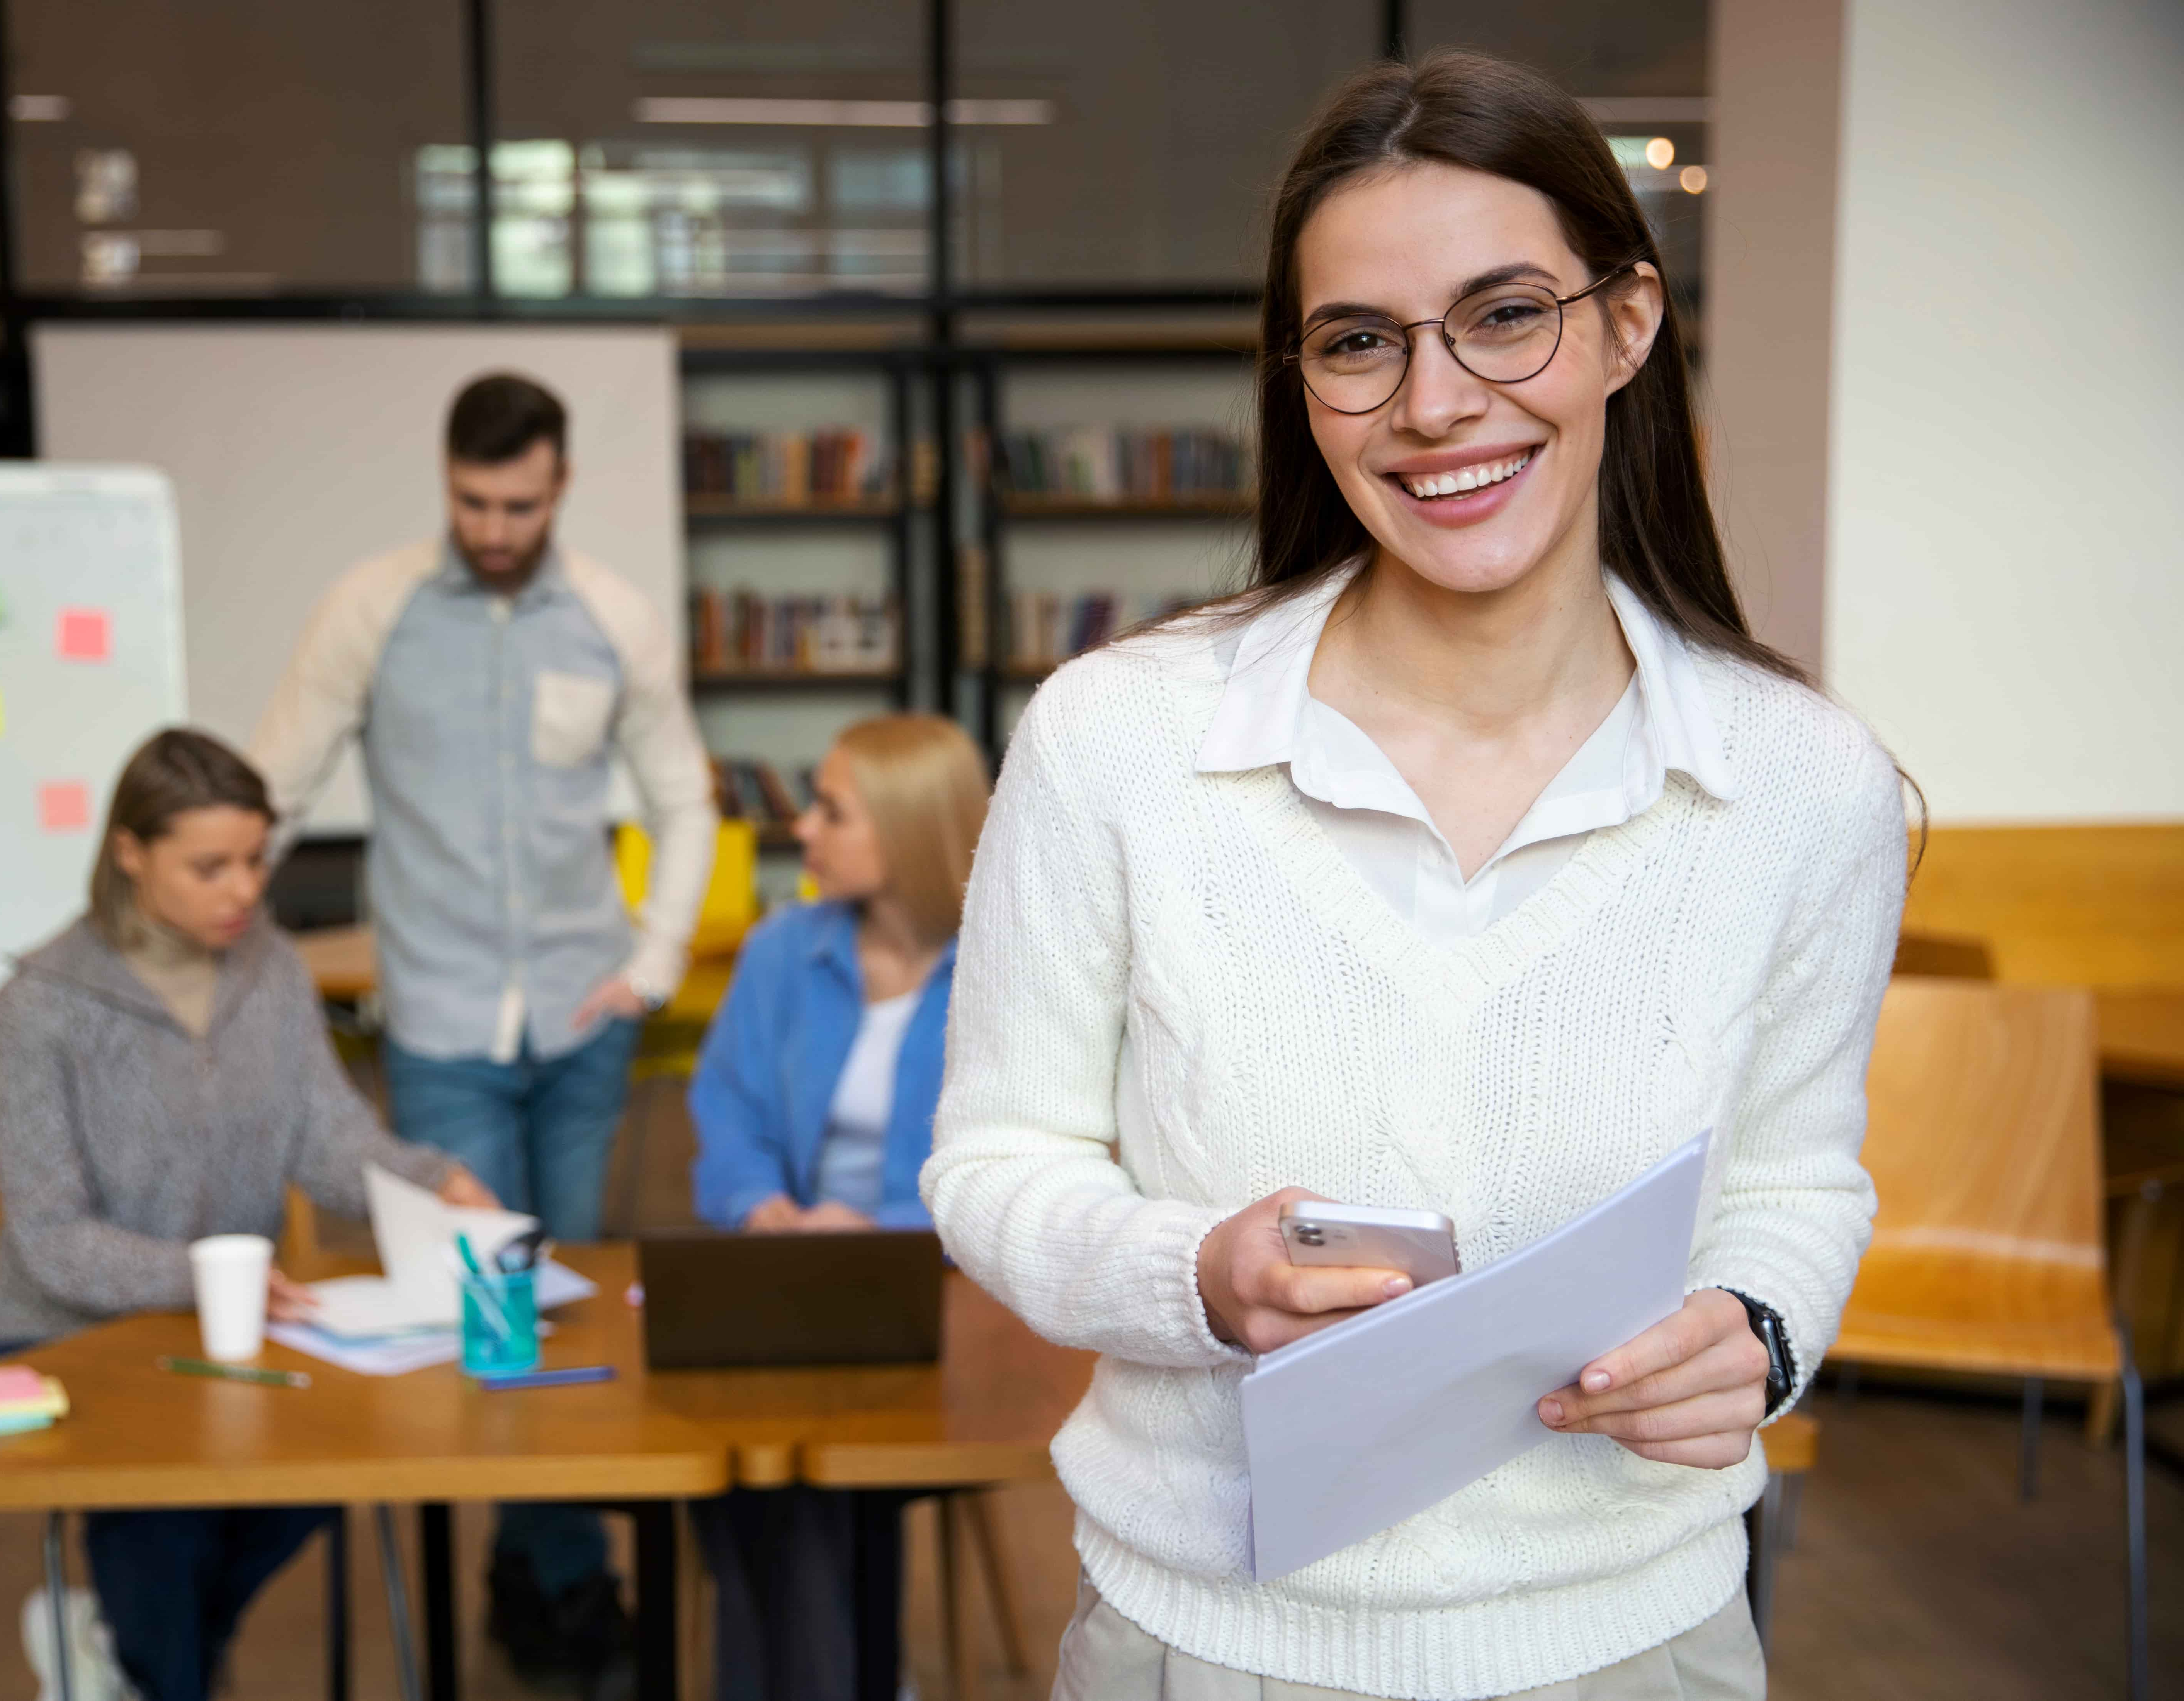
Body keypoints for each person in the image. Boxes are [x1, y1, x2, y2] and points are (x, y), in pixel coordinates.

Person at [923, 51, 1908, 1701]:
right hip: (1199, 1647)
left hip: (1631, 1644)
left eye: (1503, 313)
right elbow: (992, 1163)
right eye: (1359, 343)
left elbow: (1799, 1188)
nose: (1434, 402)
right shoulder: (1118, 741)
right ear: (1300, 382)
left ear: (1625, 325)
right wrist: (1200, 1281)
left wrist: (1757, 1333)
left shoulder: (1804, 787)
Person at [247, 370, 717, 1681]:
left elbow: (685, 798)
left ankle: (533, 1564)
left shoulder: (613, 616)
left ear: (558, 487)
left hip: (584, 1022)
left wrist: (657, 957)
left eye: (518, 503)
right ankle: (561, 1580)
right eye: (472, 500)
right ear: (445, 482)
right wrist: (221, 935)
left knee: (559, 1313)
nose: (494, 525)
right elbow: (273, 787)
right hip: (442, 1025)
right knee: (487, 1308)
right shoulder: (370, 609)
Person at [0, 728, 496, 1701]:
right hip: (51, 1335)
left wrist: (430, 1181)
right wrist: (196, 1275)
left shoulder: (270, 970)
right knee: (169, 1508)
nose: (243, 890)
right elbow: (49, 1236)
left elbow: (326, 1138)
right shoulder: (37, 1010)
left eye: (253, 861)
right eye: (210, 867)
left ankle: (121, 1660)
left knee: (324, 1471)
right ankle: (158, 1674)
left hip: (223, 1329)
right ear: (129, 854)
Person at [686, 712, 990, 1700]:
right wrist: (758, 1203)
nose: (802, 832)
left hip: (954, 1300)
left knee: (808, 1474)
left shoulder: (1001, 971)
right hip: (794, 1280)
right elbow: (724, 1107)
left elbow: (1020, 1167)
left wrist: (886, 1236)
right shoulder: (785, 950)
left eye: (831, 811)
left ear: (905, 829)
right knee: (732, 1461)